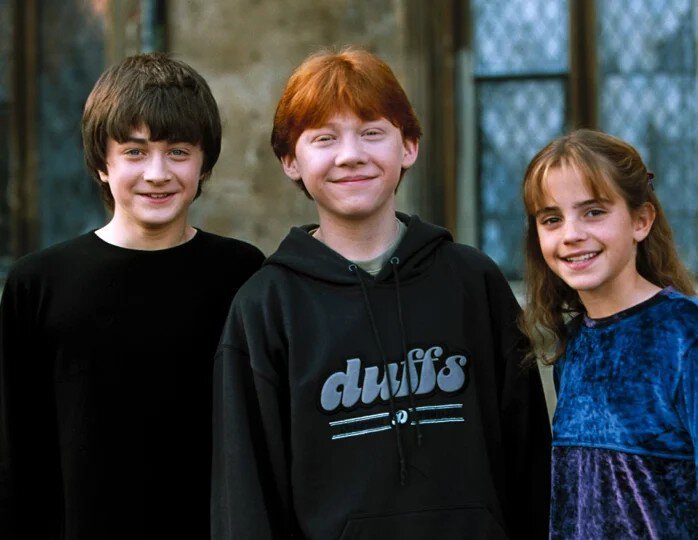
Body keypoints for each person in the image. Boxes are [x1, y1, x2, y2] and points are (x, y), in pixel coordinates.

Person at [211, 47, 551, 539]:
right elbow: (246, 496)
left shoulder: (473, 282)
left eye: (372, 133)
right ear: (290, 160)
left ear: (408, 146)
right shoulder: (266, 308)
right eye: (324, 138)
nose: (351, 155)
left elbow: (531, 462)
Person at [0, 52, 264, 539]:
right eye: (135, 152)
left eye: (178, 151)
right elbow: (17, 450)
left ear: (204, 163)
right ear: (102, 163)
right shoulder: (38, 284)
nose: (157, 173)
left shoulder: (241, 274)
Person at [519, 129, 697, 538]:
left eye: (593, 212)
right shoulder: (574, 345)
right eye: (551, 219)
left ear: (641, 220)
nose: (571, 234)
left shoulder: (685, 336)